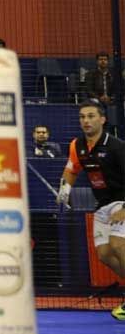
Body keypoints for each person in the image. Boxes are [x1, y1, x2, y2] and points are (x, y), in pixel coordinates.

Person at [56, 99, 125, 320]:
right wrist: (64, 191)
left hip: (121, 201)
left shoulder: (117, 147)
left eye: (91, 116)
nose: (86, 121)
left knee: (118, 245)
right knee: (104, 254)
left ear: (103, 119)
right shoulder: (77, 146)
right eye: (82, 117)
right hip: (102, 205)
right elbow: (71, 170)